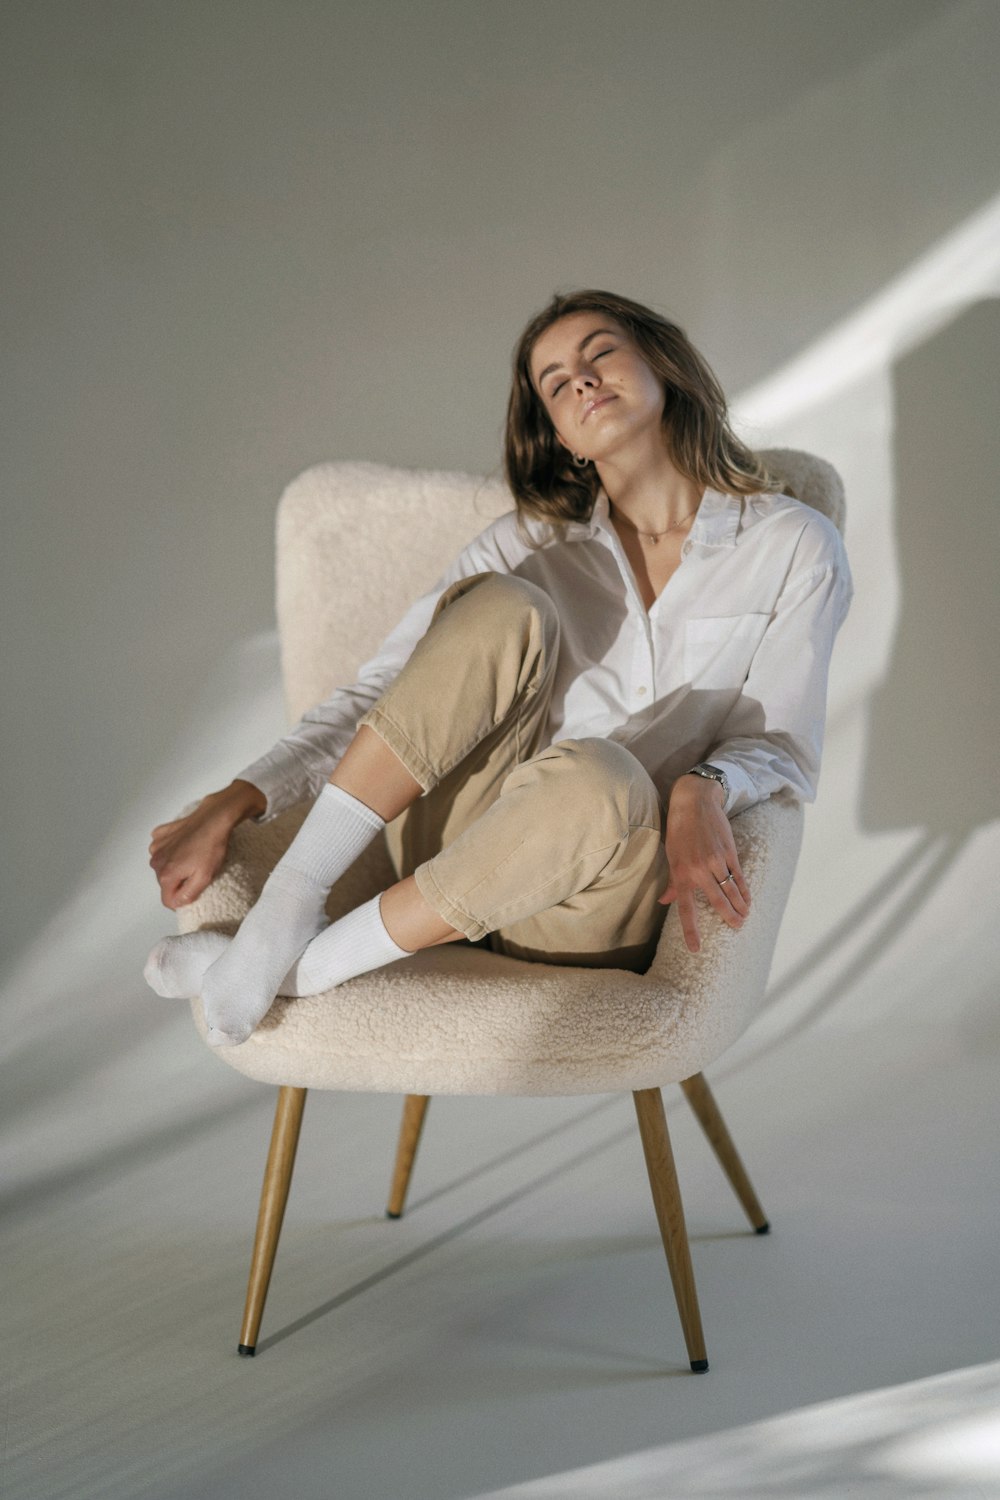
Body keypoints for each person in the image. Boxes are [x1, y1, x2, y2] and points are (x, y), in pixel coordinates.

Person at [146, 289, 852, 1046]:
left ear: (664, 367)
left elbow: (780, 745)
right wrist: (240, 795)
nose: (580, 378)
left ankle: (296, 969)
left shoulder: (792, 544)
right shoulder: (526, 544)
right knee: (504, 604)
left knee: (601, 776)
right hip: (451, 840)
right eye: (555, 381)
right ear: (564, 438)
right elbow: (386, 694)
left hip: (592, 896)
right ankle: (288, 906)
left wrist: (704, 787)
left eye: (601, 351)